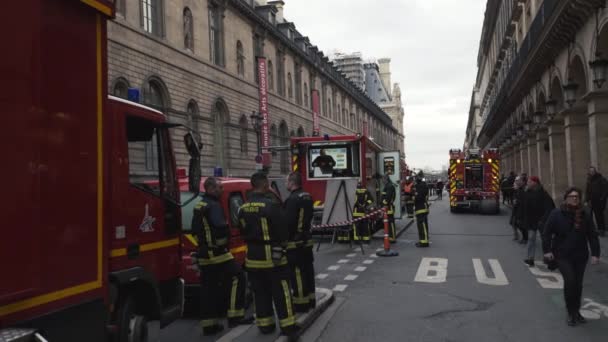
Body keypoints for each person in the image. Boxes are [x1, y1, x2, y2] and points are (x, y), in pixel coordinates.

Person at [238, 172, 298, 336]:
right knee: (282, 291)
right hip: (273, 259)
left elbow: (242, 230)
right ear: (264, 185)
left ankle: (266, 325)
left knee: (260, 293)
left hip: (252, 259)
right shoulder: (271, 206)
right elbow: (283, 232)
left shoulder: (242, 208)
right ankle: (288, 326)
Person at [191, 178, 250, 336]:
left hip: (204, 254)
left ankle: (209, 326)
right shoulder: (214, 205)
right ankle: (235, 316)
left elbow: (194, 230)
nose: (221, 190)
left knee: (208, 288)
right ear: (210, 188)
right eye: (218, 187)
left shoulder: (199, 205)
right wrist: (224, 245)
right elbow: (221, 227)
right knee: (238, 276)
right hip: (217, 254)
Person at [542, 187, 601, 326]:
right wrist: (547, 251)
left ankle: (577, 311)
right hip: (562, 255)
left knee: (578, 285)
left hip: (580, 255)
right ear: (566, 198)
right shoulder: (556, 214)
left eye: (577, 197)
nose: (574, 198)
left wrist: (596, 254)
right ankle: (570, 312)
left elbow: (592, 235)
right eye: (572, 196)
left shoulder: (585, 214)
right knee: (570, 281)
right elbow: (546, 233)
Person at [284, 172, 316, 313]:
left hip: (295, 243)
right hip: (307, 240)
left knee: (297, 273)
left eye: (286, 181)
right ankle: (311, 299)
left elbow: (289, 222)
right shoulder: (307, 196)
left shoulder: (292, 199)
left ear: (292, 183)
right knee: (308, 270)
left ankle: (301, 303)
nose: (286, 184)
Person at [522, 176, 555, 267]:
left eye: (529, 181)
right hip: (532, 220)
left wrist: (544, 219)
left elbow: (549, 207)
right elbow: (525, 208)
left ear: (535, 183)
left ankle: (547, 257)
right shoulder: (528, 192)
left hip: (541, 220)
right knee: (531, 239)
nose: (528, 183)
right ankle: (530, 258)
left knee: (545, 239)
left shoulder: (543, 193)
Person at [585, 166, 608, 237]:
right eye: (590, 171)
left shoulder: (601, 179)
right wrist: (586, 200)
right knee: (591, 216)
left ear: (595, 171)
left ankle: (602, 230)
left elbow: (605, 189)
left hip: (599, 201)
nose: (591, 172)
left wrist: (602, 198)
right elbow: (588, 191)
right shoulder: (589, 180)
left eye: (593, 171)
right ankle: (596, 229)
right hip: (592, 201)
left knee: (599, 216)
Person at [414, 172, 430, 248]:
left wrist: (413, 197)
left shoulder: (421, 186)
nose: (415, 179)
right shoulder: (420, 185)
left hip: (421, 208)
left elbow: (419, 197)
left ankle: (425, 242)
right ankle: (422, 240)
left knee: (422, 225)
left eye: (416, 177)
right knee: (420, 226)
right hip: (420, 208)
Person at [381, 174, 397, 243]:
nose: (382, 181)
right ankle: (390, 237)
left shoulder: (389, 186)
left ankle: (392, 237)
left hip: (388, 207)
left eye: (383, 179)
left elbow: (388, 197)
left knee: (391, 222)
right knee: (388, 222)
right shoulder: (388, 186)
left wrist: (384, 204)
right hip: (387, 207)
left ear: (385, 179)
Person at [511, 176, 527, 243]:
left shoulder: (523, 189)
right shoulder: (518, 189)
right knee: (514, 223)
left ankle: (524, 237)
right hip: (516, 210)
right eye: (516, 181)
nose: (516, 182)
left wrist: (516, 201)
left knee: (520, 224)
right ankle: (519, 236)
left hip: (521, 210)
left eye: (518, 181)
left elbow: (523, 199)